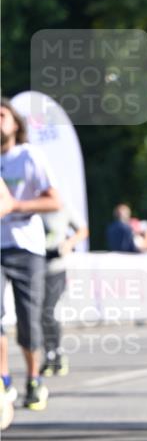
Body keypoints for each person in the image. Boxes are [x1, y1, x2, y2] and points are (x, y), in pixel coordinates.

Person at [1, 98, 61, 412]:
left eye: (1, 115)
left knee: (28, 321)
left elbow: (54, 202)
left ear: (15, 123)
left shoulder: (29, 156)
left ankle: (34, 379)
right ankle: (4, 381)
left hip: (27, 248)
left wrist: (15, 206)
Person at [41, 201, 89, 376]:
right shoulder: (29, 207)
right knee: (36, 314)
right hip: (34, 267)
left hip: (57, 267)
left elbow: (82, 229)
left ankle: (56, 352)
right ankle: (49, 353)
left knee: (47, 310)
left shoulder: (62, 207)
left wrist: (69, 243)